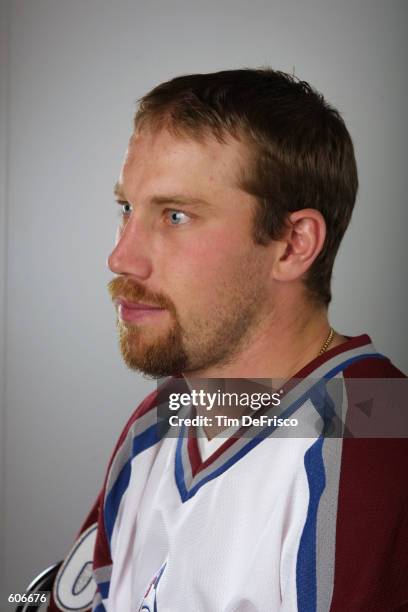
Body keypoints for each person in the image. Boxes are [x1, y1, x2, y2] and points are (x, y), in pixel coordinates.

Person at [48, 68, 407, 612]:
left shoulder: (380, 435)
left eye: (175, 215)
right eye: (127, 209)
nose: (121, 257)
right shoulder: (161, 420)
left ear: (292, 244)